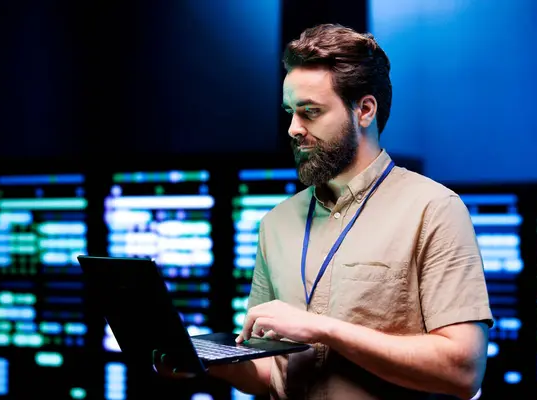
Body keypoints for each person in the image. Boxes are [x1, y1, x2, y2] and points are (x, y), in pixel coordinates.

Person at [154, 23, 493, 399]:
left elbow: (463, 371)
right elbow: (274, 374)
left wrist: (321, 329)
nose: (293, 129)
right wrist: (203, 362)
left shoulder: (434, 210)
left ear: (364, 110)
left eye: (310, 112)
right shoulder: (276, 223)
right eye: (290, 113)